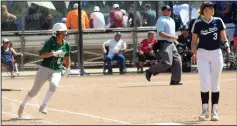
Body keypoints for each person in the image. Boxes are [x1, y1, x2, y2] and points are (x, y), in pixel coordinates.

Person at [191, 2, 235, 121]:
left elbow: (224, 38)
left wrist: (228, 49)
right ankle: (204, 110)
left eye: (213, 7)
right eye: (210, 7)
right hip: (203, 54)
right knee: (204, 83)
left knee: (215, 83)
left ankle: (214, 111)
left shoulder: (218, 21)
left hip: (216, 54)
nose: (213, 9)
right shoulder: (198, 23)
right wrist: (194, 53)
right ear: (204, 10)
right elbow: (194, 42)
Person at [17, 23, 71, 118]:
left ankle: (43, 105)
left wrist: (68, 68)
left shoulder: (66, 44)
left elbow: (67, 57)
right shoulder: (50, 42)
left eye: (65, 32)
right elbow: (41, 55)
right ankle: (22, 105)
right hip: (44, 69)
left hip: (57, 70)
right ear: (56, 33)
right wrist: (52, 54)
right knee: (34, 92)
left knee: (54, 85)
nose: (64, 34)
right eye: (62, 32)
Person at [145, 5, 182, 85]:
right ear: (163, 11)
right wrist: (173, 37)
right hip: (164, 43)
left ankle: (175, 80)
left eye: (170, 10)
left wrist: (175, 41)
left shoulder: (171, 20)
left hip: (172, 43)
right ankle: (150, 71)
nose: (169, 11)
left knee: (177, 61)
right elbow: (161, 33)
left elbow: (171, 32)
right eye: (167, 10)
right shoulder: (161, 20)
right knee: (167, 63)